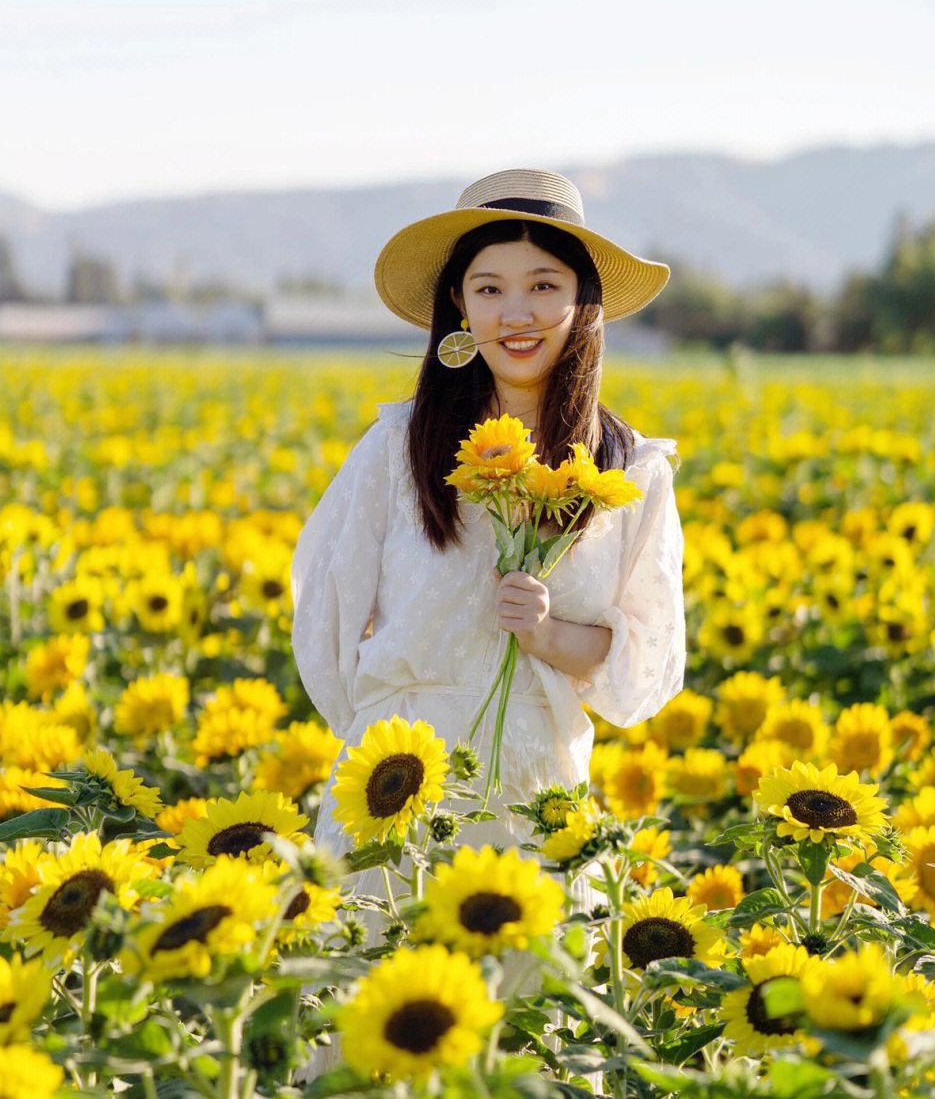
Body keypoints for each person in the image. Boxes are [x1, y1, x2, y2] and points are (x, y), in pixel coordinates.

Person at [290, 168, 686, 860]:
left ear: (582, 299)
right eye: (489, 288)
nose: (516, 312)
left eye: (543, 285)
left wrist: (549, 635)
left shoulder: (629, 471)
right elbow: (323, 615)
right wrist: (388, 724)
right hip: (394, 801)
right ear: (459, 305)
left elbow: (645, 668)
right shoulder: (397, 449)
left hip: (539, 801)